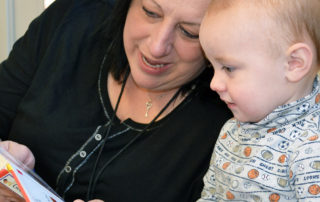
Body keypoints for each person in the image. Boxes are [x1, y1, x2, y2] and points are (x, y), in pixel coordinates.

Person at [0, 0, 232, 201]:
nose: (157, 47)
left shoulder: (233, 125)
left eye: (189, 32)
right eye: (151, 12)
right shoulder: (75, 18)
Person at [197, 0, 320, 201]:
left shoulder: (311, 149)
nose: (214, 84)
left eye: (228, 68)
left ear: (294, 63)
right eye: (212, 67)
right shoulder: (232, 131)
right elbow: (211, 194)